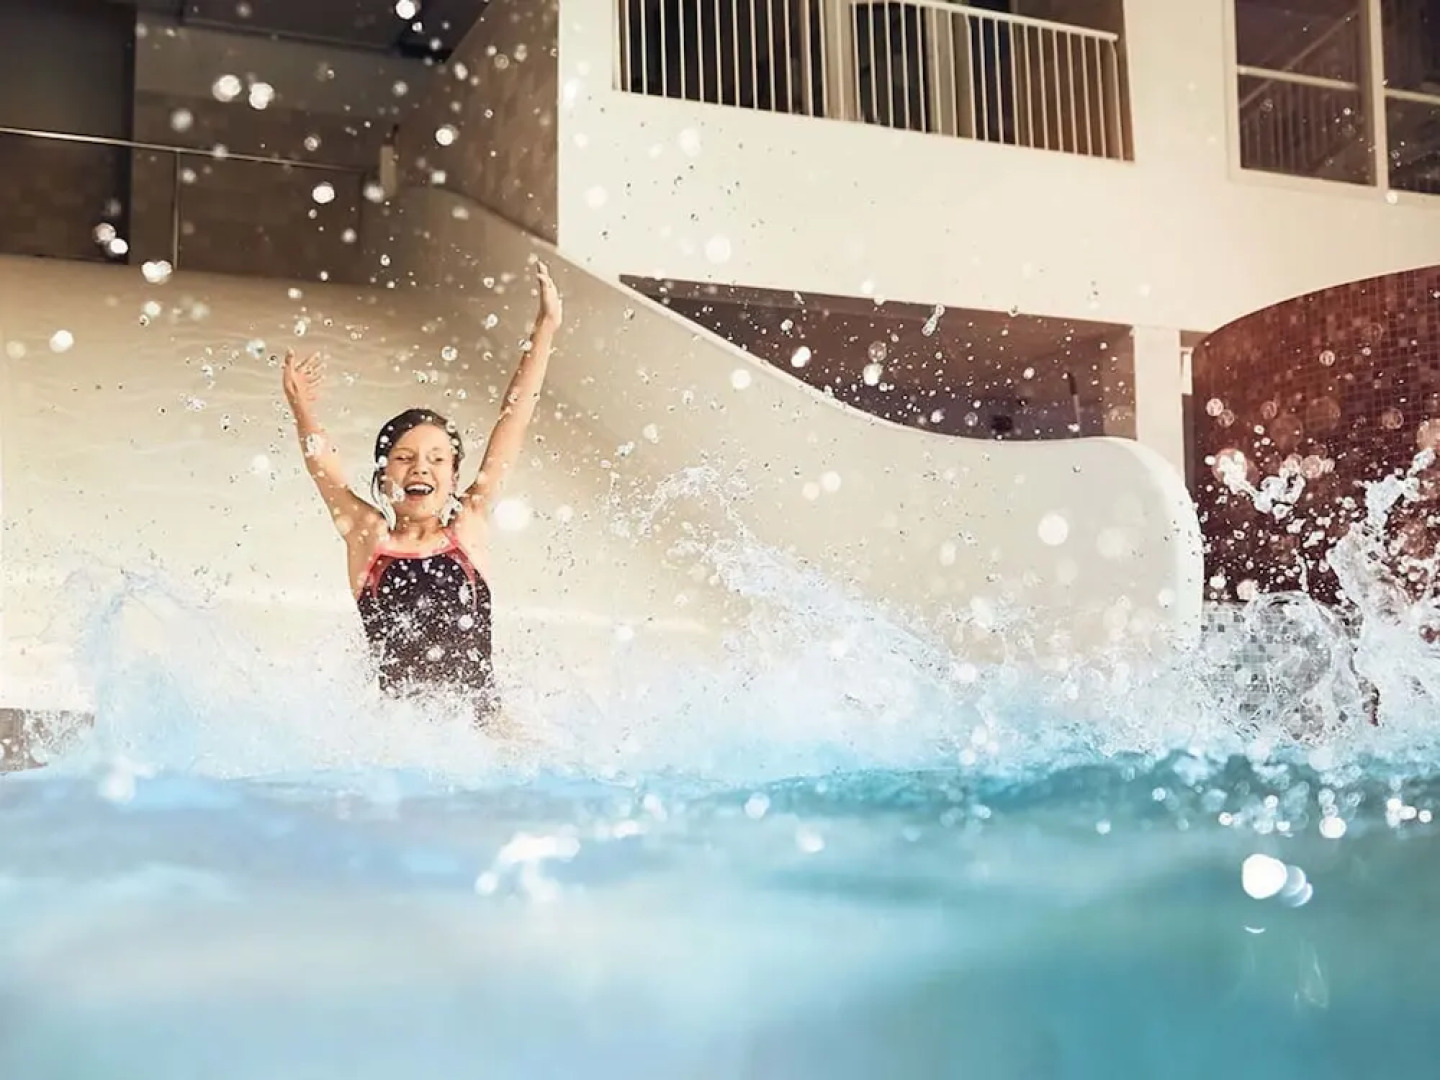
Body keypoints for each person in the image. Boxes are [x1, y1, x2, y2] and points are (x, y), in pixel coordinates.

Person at [280, 260, 563, 725]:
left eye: (436, 459)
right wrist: (302, 411)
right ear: (383, 472)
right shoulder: (369, 540)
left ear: (454, 476)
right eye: (405, 457)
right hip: (405, 735)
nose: (420, 468)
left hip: (484, 728)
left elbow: (513, 419)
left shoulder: (467, 528)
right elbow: (325, 472)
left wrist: (545, 328)